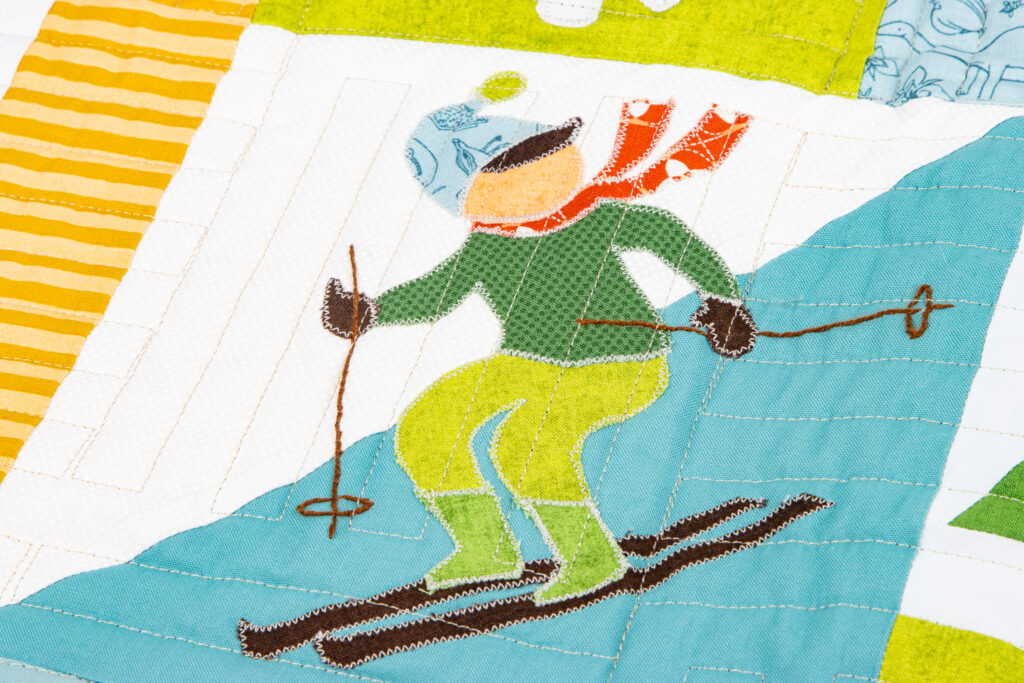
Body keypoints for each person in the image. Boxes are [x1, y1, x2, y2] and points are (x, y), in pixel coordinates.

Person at [323, 72, 757, 604]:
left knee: (526, 444)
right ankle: (486, 548)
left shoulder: (595, 217)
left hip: (621, 362)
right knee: (429, 423)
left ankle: (592, 557)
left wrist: (722, 301)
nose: (549, 166)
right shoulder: (487, 246)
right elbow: (438, 293)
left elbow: (668, 236)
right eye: (514, 167)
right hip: (528, 361)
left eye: (551, 149)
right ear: (467, 198)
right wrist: (368, 312)